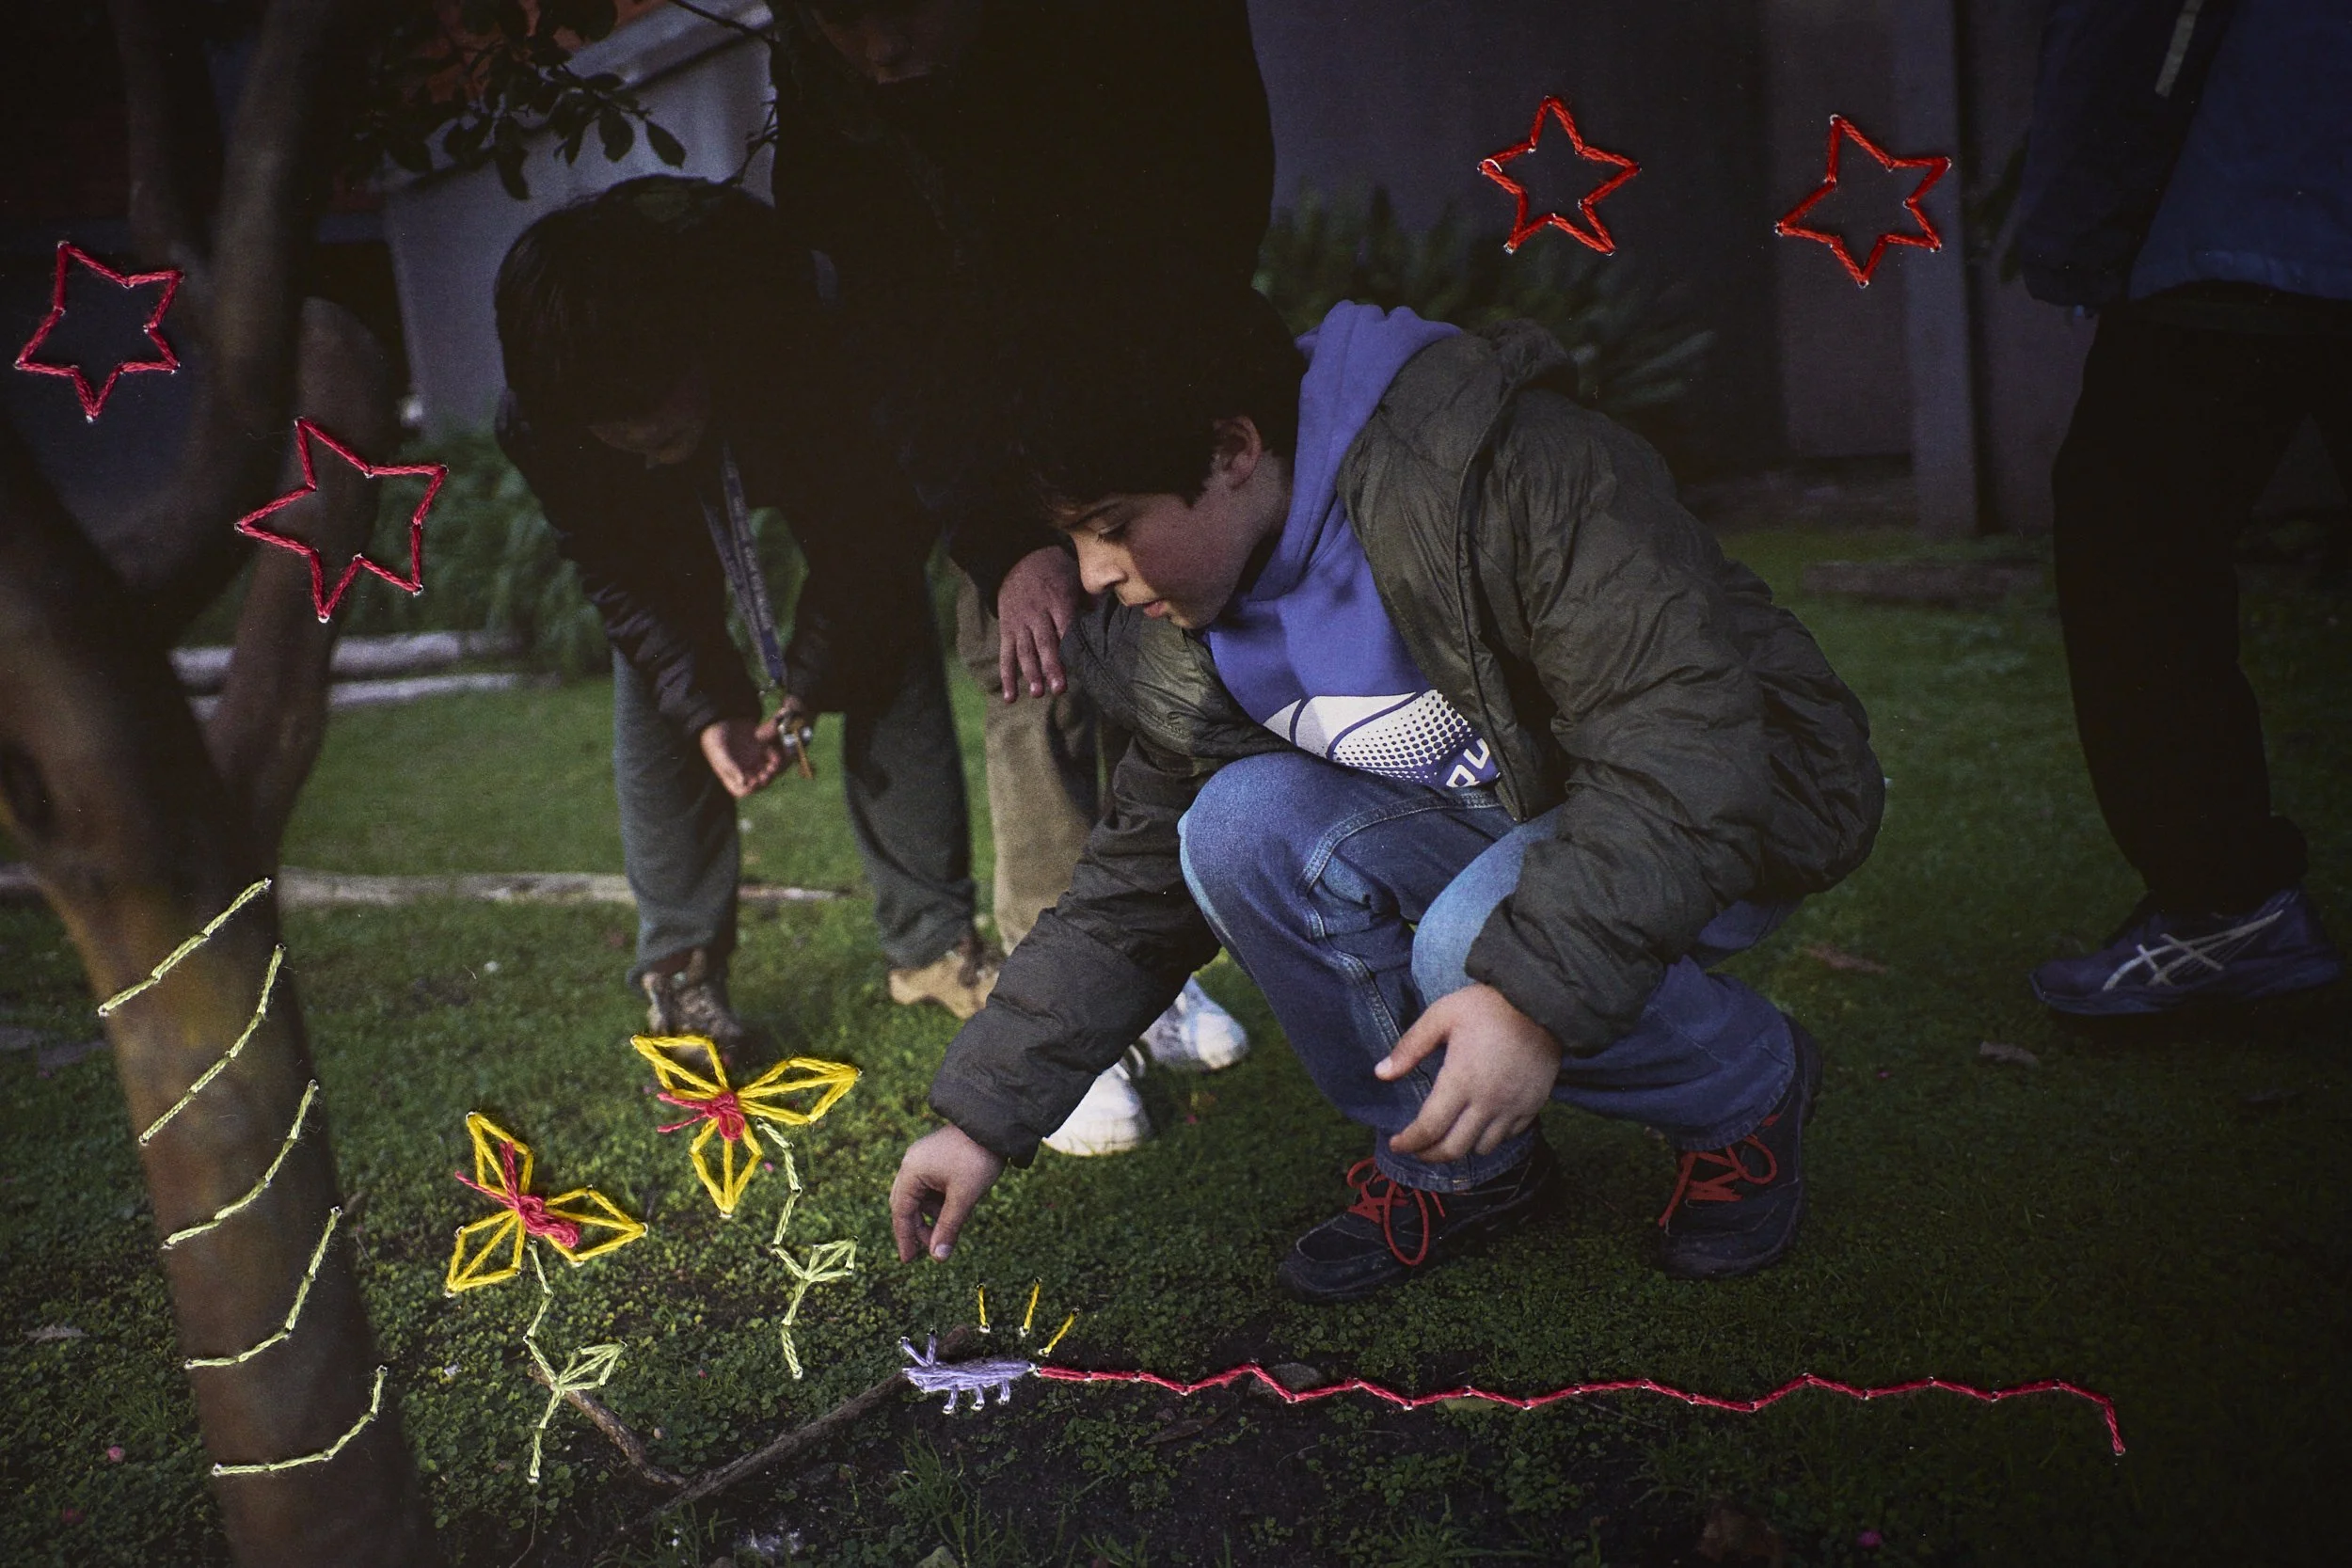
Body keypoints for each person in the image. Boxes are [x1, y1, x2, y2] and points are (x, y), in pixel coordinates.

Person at [888, 288, 1886, 1302]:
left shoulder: (1502, 464)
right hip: (1514, 818)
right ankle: (1458, 1164)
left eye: (1114, 526)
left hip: (1736, 799)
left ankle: (1745, 1091)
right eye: (1073, 538)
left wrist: (1527, 995)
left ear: (1233, 450)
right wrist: (983, 1119)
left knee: (1471, 942)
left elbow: (1681, 747)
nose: (1094, 574)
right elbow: (1132, 888)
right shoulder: (1194, 612)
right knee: (1230, 826)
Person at [762, 0, 1277, 1146]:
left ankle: (1146, 973)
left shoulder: (1119, 42)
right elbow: (900, 346)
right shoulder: (836, 110)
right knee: (1034, 665)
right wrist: (1004, 540)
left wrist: (1153, 427)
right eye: (841, 25)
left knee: (1165, 669)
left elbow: (1215, 197)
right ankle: (1057, 1010)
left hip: (1141, 393)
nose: (880, 51)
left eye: (900, 12)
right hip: (990, 431)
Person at [494, 177, 1015, 1052]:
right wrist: (710, 711)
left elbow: (870, 543)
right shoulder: (546, 414)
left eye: (663, 435)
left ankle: (931, 941)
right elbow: (629, 586)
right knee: (653, 663)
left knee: (885, 622)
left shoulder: (799, 328)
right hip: (690, 423)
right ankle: (681, 966)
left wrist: (806, 683)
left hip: (801, 416)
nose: (656, 460)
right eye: (625, 442)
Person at [2016, 0, 2347, 1015]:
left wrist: (2081, 220)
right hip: (2266, 182)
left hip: (2258, 183)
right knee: (2134, 529)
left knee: (2133, 538)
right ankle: (2224, 908)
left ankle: (2223, 903)